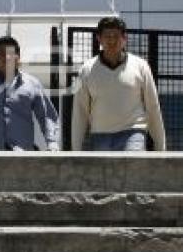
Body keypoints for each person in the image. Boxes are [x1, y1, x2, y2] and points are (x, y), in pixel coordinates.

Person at [71, 16, 166, 151]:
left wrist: (161, 147)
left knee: (133, 167)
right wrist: (75, 150)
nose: (111, 40)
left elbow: (153, 106)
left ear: (124, 38)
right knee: (104, 172)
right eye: (107, 36)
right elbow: (79, 111)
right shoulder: (85, 70)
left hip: (133, 132)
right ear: (99, 38)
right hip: (100, 134)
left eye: (116, 36)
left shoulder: (141, 66)